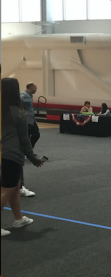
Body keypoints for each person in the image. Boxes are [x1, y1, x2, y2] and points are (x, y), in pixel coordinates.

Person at [1, 78, 45, 237]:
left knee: (15, 188)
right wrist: (34, 159)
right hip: (11, 155)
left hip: (4, 154)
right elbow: (25, 139)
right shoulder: (18, 113)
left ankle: (18, 219)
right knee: (5, 191)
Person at [19, 82, 40, 197]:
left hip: (32, 120)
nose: (36, 89)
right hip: (26, 121)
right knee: (25, 139)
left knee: (36, 135)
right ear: (30, 88)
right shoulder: (22, 96)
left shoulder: (30, 96)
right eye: (35, 88)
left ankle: (28, 152)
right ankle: (27, 152)